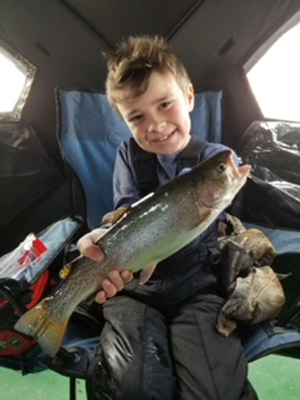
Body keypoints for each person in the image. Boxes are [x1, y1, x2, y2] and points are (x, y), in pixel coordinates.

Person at [77, 35, 258, 400]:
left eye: (165, 104)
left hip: (198, 289)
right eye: (138, 117)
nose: (156, 125)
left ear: (189, 97)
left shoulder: (217, 158)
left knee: (215, 389)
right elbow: (125, 216)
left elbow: (230, 206)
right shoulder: (128, 156)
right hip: (134, 291)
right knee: (134, 384)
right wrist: (99, 238)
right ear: (124, 122)